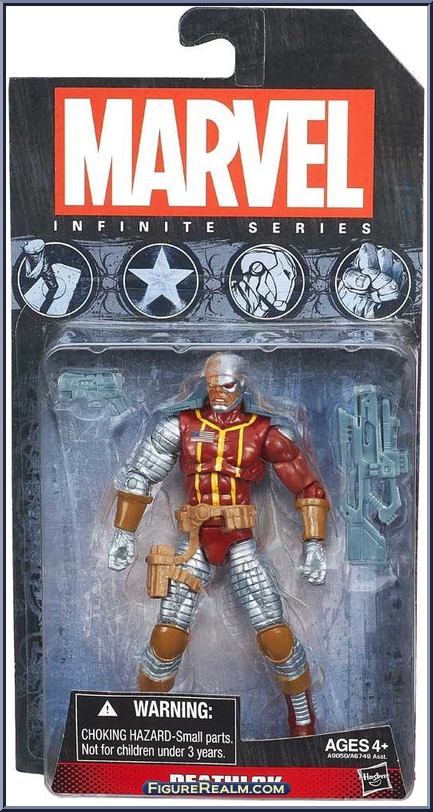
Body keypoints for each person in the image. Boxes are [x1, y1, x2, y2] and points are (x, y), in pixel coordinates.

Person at [108, 352, 329, 737]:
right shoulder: (180, 426)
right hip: (193, 542)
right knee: (168, 635)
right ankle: (145, 723)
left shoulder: (264, 432)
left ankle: (303, 719)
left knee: (274, 632)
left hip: (240, 541)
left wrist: (314, 544)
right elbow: (140, 475)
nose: (219, 394)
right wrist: (124, 533)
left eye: (227, 386)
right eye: (212, 386)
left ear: (243, 385)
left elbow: (307, 487)